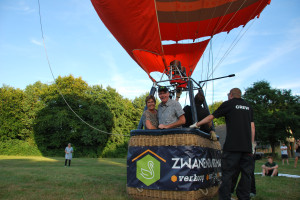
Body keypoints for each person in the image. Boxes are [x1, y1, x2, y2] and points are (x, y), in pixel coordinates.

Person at [191, 88, 255, 200]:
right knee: (246, 174)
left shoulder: (228, 104)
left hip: (232, 146)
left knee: (227, 174)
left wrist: (197, 124)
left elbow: (211, 117)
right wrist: (252, 144)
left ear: (230, 95)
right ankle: (244, 197)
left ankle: (225, 197)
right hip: (247, 147)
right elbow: (252, 127)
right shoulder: (248, 106)